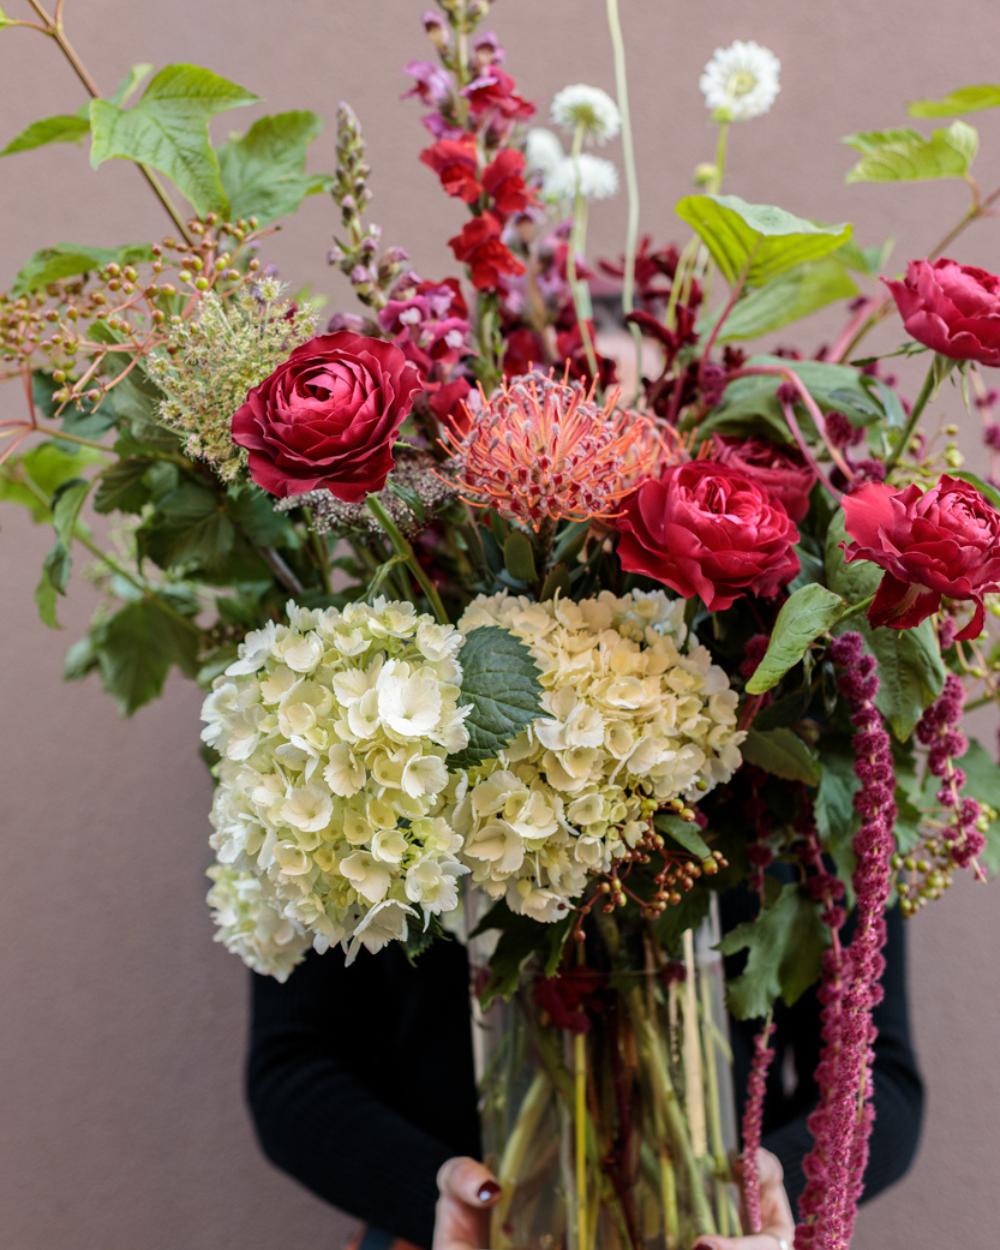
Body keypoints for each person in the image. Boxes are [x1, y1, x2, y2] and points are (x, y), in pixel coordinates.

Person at [246, 901, 923, 1250]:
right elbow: (292, 1068)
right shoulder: (341, 701)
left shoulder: (812, 697)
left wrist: (774, 1186)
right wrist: (437, 1187)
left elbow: (876, 1078)